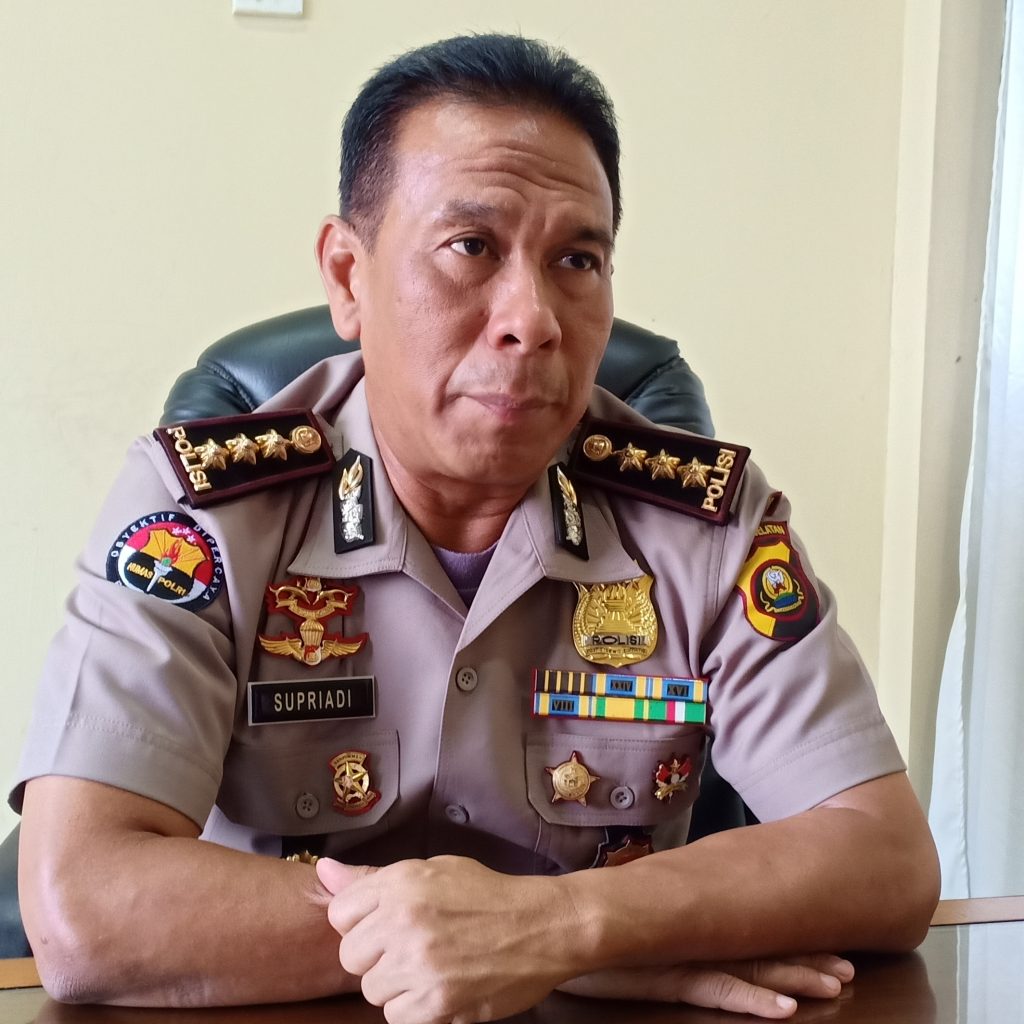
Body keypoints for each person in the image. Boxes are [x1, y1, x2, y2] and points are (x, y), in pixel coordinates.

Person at [12, 33, 938, 1022]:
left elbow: (884, 855)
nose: (532, 318)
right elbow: (82, 906)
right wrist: (525, 940)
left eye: (577, 259)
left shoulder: (705, 524)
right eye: (471, 247)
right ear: (348, 275)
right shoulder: (201, 514)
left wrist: (566, 928)